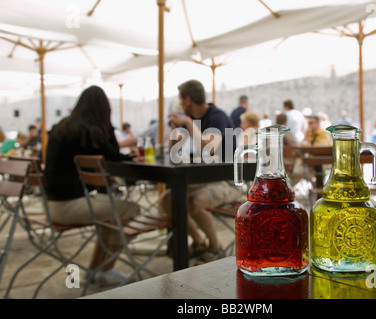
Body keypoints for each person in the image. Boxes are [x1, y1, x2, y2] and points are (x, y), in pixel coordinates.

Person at [44, 85, 140, 286]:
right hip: (70, 206)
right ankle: (106, 269)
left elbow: (111, 154)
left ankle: (97, 272)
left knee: (111, 217)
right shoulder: (91, 132)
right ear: (104, 110)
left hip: (50, 204)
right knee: (132, 209)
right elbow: (115, 157)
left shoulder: (64, 127)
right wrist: (109, 127)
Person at [160, 79, 242, 265]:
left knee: (194, 201)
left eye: (181, 100)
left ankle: (215, 246)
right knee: (167, 200)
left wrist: (188, 123)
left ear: (188, 100)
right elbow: (174, 159)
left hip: (230, 180)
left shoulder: (217, 116)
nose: (180, 105)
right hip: (204, 179)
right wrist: (175, 134)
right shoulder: (193, 122)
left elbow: (209, 149)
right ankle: (199, 241)